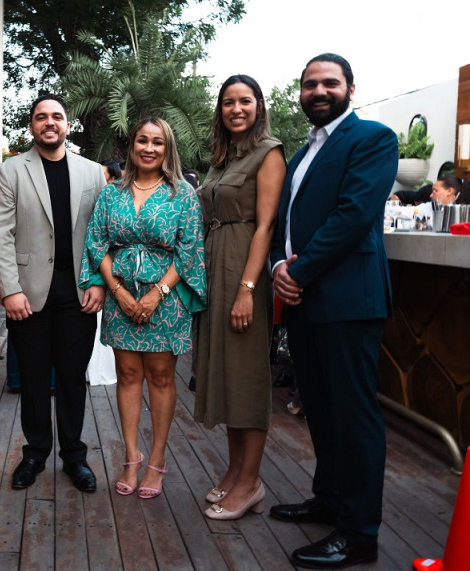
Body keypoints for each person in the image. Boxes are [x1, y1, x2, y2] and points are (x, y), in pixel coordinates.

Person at [269, 53, 398, 569]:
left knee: (354, 416)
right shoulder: (303, 153)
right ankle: (329, 500)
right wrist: (280, 262)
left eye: (329, 83)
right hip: (304, 302)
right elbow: (288, 219)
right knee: (319, 408)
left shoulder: (373, 139)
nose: (318, 91)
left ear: (350, 87)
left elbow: (353, 216)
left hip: (348, 302)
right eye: (309, 84)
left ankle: (359, 533)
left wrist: (296, 273)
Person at [80, 117, 206, 499]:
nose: (149, 148)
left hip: (165, 298)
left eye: (158, 142)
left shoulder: (181, 193)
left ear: (168, 149)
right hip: (122, 297)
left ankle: (156, 460)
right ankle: (131, 458)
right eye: (142, 141)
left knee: (161, 377)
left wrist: (157, 295)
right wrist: (116, 291)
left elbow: (190, 249)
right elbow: (96, 241)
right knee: (128, 373)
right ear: (131, 145)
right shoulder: (112, 192)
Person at [0, 93, 105, 492]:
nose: (50, 122)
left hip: (79, 292)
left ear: (67, 124)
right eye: (42, 117)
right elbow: (0, 234)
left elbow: (101, 234)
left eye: (57, 116)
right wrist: (10, 290)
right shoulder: (10, 171)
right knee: (35, 377)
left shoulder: (93, 173)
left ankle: (75, 456)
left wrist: (98, 282)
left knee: (73, 376)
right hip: (28, 293)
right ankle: (35, 453)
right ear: (32, 126)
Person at [192, 75, 286, 520]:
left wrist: (247, 290)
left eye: (244, 101)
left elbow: (266, 227)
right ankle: (234, 472)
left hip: (243, 269)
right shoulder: (221, 158)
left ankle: (250, 483)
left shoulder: (269, 152)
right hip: (215, 266)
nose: (236, 109)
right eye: (228, 102)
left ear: (258, 105)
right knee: (226, 375)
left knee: (246, 377)